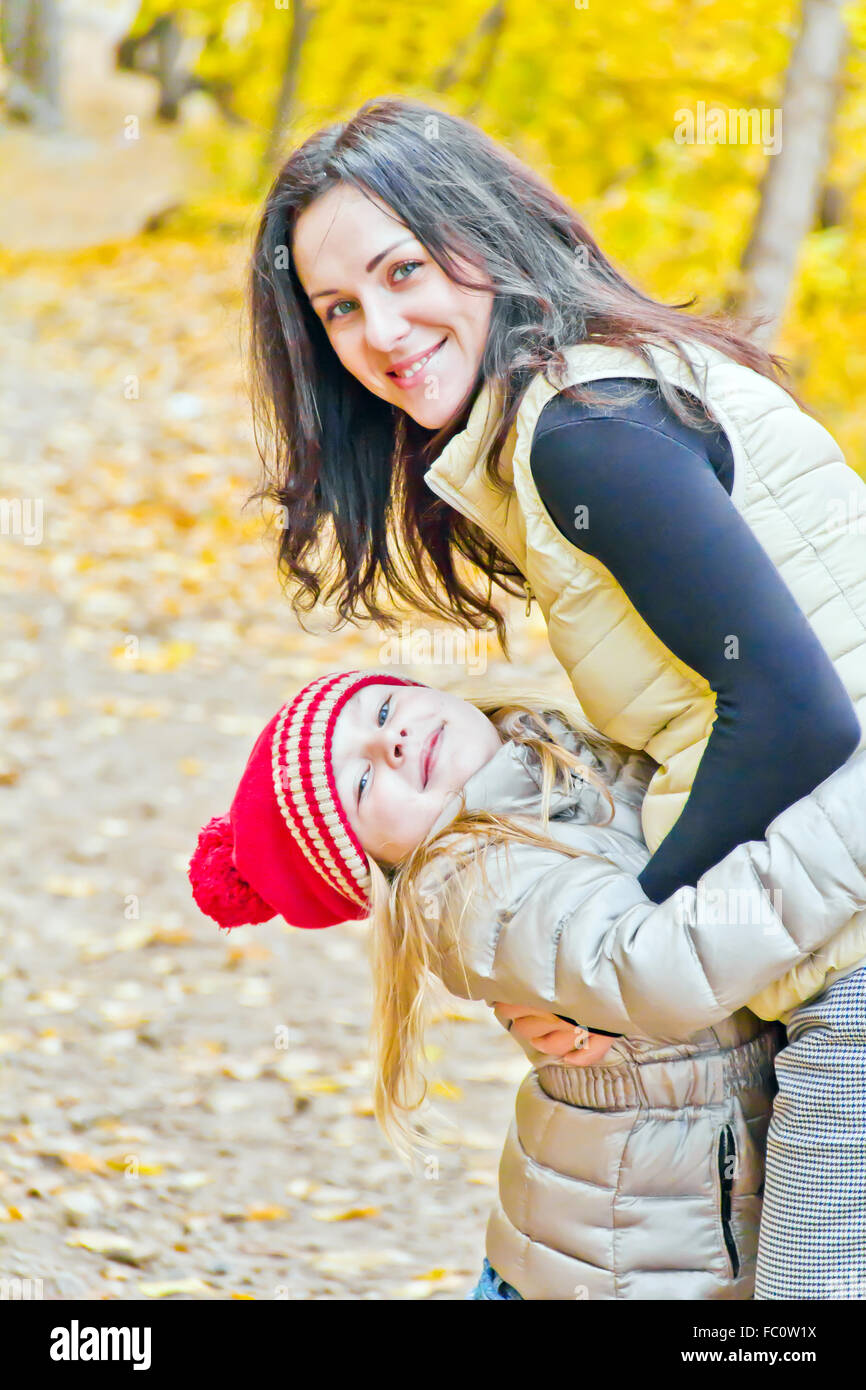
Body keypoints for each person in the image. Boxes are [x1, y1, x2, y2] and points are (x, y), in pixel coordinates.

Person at [246, 96, 866, 1296]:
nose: (380, 328)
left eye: (403, 270)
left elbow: (795, 715)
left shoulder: (583, 431)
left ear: (481, 234)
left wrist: (619, 952)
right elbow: (709, 708)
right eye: (337, 308)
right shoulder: (586, 399)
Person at [187, 669, 866, 1299]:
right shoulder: (469, 885)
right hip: (619, 1270)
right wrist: (849, 828)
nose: (390, 742)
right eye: (361, 785)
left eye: (383, 709)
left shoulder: (561, 758)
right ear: (378, 870)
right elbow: (661, 963)